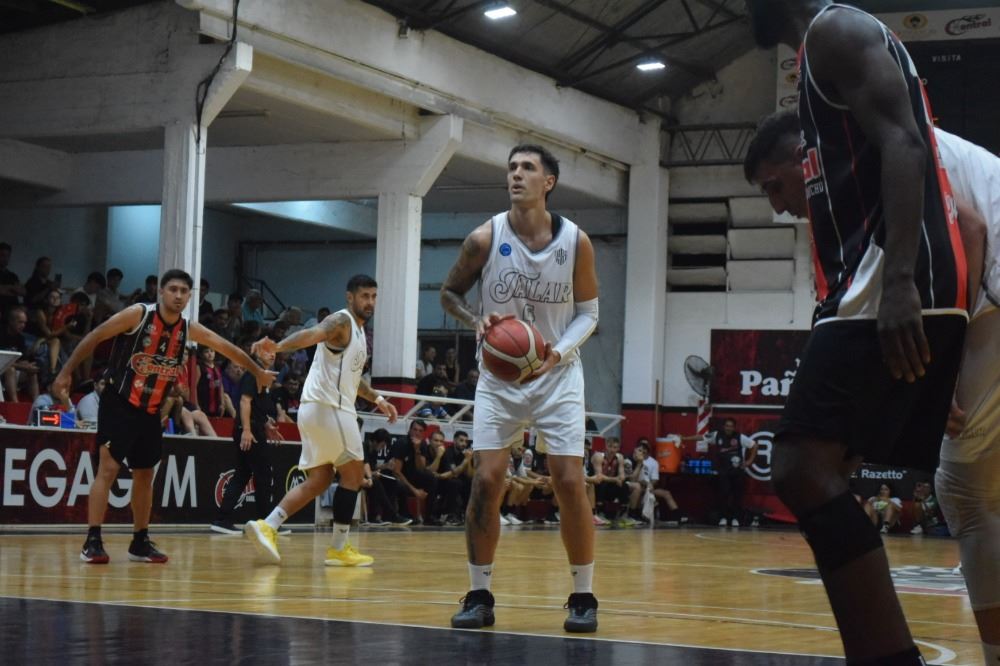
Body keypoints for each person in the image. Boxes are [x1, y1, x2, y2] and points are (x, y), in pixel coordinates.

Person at [745, 2, 969, 662]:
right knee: (824, 466)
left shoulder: (835, 30)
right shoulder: (816, 57)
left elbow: (906, 142)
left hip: (893, 281)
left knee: (800, 467)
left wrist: (900, 280)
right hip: (882, 284)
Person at [440, 143, 600, 632]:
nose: (516, 174)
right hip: (499, 378)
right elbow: (449, 294)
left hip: (556, 373)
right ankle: (479, 594)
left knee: (569, 481)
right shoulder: (483, 239)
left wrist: (557, 352)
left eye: (528, 168)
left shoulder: (576, 242)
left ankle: (583, 596)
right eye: (511, 167)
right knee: (487, 479)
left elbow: (589, 314)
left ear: (548, 182)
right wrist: (475, 319)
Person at [52, 269, 275, 565]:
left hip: (151, 409)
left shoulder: (188, 329)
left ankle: (140, 541)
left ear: (190, 296)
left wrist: (257, 371)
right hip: (119, 402)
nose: (178, 295)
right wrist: (65, 372)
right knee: (108, 469)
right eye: (173, 289)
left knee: (145, 474)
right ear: (161, 291)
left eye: (184, 291)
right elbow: (95, 335)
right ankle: (93, 540)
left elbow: (227, 348)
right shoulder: (138, 315)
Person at [244, 274, 398, 567]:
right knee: (354, 475)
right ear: (350, 297)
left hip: (315, 409)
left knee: (320, 479)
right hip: (331, 409)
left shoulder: (358, 333)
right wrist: (276, 347)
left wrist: (378, 399)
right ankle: (339, 548)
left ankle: (268, 525)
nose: (370, 302)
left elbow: (353, 380)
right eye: (364, 296)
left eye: (374, 296)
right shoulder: (341, 322)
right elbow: (312, 334)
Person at [211, 347, 284, 535]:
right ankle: (266, 523)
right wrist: (247, 430)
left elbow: (256, 406)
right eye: (267, 350)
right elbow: (244, 401)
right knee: (264, 474)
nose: (272, 353)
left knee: (242, 474)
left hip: (253, 428)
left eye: (273, 351)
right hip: (249, 431)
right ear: (257, 353)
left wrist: (266, 424)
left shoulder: (262, 375)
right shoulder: (253, 373)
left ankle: (222, 519)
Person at [707, 418, 757, 527]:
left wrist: (749, 461)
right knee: (723, 495)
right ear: (724, 426)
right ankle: (723, 518)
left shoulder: (740, 437)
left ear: (734, 427)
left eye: (731, 426)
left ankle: (736, 518)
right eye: (727, 426)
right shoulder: (717, 435)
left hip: (737, 472)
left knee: (737, 496)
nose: (728, 428)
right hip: (723, 472)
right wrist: (684, 438)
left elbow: (754, 445)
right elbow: (702, 437)